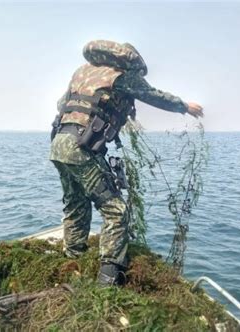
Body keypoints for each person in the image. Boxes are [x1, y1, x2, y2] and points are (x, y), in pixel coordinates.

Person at [50, 40, 203, 286]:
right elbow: (152, 95)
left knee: (75, 204)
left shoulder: (82, 72)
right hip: (82, 148)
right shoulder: (120, 77)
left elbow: (62, 105)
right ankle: (108, 282)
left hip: (59, 144)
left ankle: (72, 261)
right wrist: (184, 106)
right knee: (116, 211)